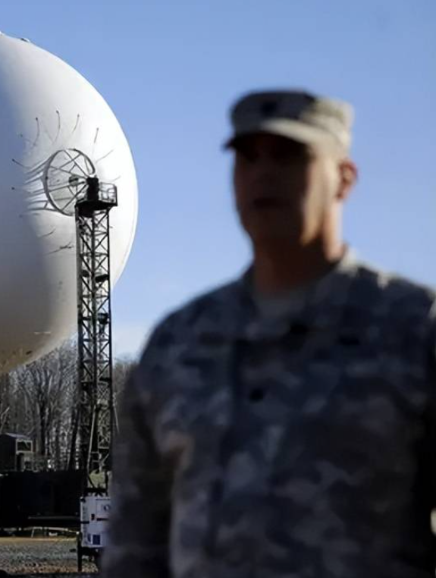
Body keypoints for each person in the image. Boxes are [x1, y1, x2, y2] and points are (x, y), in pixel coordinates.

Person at [104, 89, 436, 577]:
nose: (263, 173)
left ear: (344, 178)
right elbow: (136, 546)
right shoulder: (179, 345)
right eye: (247, 156)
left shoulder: (412, 329)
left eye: (289, 155)